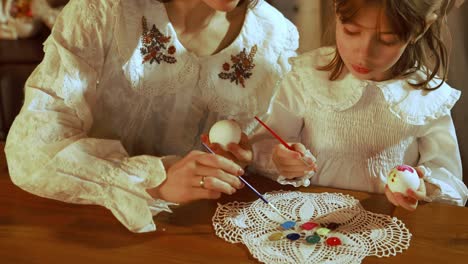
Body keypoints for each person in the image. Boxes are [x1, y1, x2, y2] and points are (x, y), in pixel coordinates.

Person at [5, 0, 299, 232]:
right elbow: (32, 151)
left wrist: (242, 159)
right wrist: (154, 181)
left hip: (199, 230)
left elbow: (261, 141)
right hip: (88, 223)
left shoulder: (275, 36)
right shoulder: (102, 11)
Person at [252, 0, 468, 210]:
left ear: (420, 29)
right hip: (311, 222)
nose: (363, 54)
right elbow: (264, 146)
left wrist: (425, 186)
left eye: (386, 40)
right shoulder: (305, 77)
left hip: (384, 229)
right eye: (351, 31)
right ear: (336, 8)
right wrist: (280, 159)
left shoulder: (426, 98)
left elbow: (451, 181)